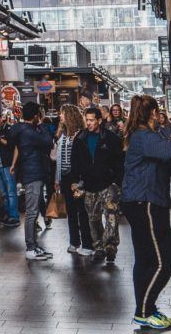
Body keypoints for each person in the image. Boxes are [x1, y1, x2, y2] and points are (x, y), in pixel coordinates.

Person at [121, 95, 171, 330]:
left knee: (146, 260)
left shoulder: (143, 135)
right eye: (158, 113)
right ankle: (143, 311)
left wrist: (170, 140)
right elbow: (170, 150)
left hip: (140, 201)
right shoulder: (144, 136)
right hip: (145, 202)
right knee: (164, 261)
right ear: (152, 113)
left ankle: (148, 309)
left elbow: (170, 146)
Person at [71, 105, 124, 263]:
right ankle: (99, 246)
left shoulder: (111, 138)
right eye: (86, 120)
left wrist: (117, 181)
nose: (88, 123)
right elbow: (74, 162)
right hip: (89, 184)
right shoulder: (80, 138)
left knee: (111, 217)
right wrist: (75, 181)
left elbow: (119, 161)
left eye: (92, 120)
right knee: (93, 219)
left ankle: (110, 247)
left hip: (108, 184)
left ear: (99, 121)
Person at [9, 102, 54, 261]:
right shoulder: (30, 132)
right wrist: (41, 125)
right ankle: (30, 248)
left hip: (30, 172)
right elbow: (48, 142)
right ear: (36, 116)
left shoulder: (21, 130)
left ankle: (34, 246)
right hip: (33, 174)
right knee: (32, 212)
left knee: (33, 211)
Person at [55, 104, 93, 256]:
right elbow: (58, 158)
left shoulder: (81, 135)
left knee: (82, 211)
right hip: (65, 177)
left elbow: (84, 159)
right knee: (71, 211)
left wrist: (81, 180)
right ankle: (74, 242)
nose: (60, 116)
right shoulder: (63, 134)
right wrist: (57, 178)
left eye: (62, 113)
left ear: (69, 115)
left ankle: (88, 244)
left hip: (77, 178)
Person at [0, 109, 20, 227]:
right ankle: (7, 215)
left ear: (1, 118)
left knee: (11, 192)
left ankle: (14, 217)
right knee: (4, 193)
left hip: (7, 165)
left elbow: (12, 145)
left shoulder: (9, 129)